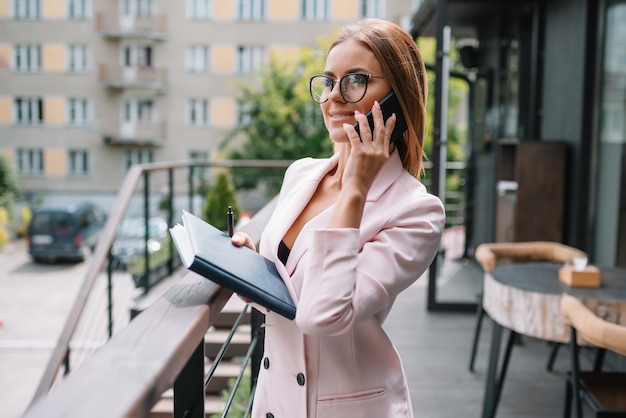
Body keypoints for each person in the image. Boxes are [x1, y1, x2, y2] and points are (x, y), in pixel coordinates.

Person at [231, 18, 445, 418]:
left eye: (356, 81)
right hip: (274, 402)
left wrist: (357, 189)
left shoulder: (417, 212)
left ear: (396, 97)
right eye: (329, 81)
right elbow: (294, 291)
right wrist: (249, 274)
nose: (334, 97)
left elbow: (322, 314)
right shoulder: (302, 174)